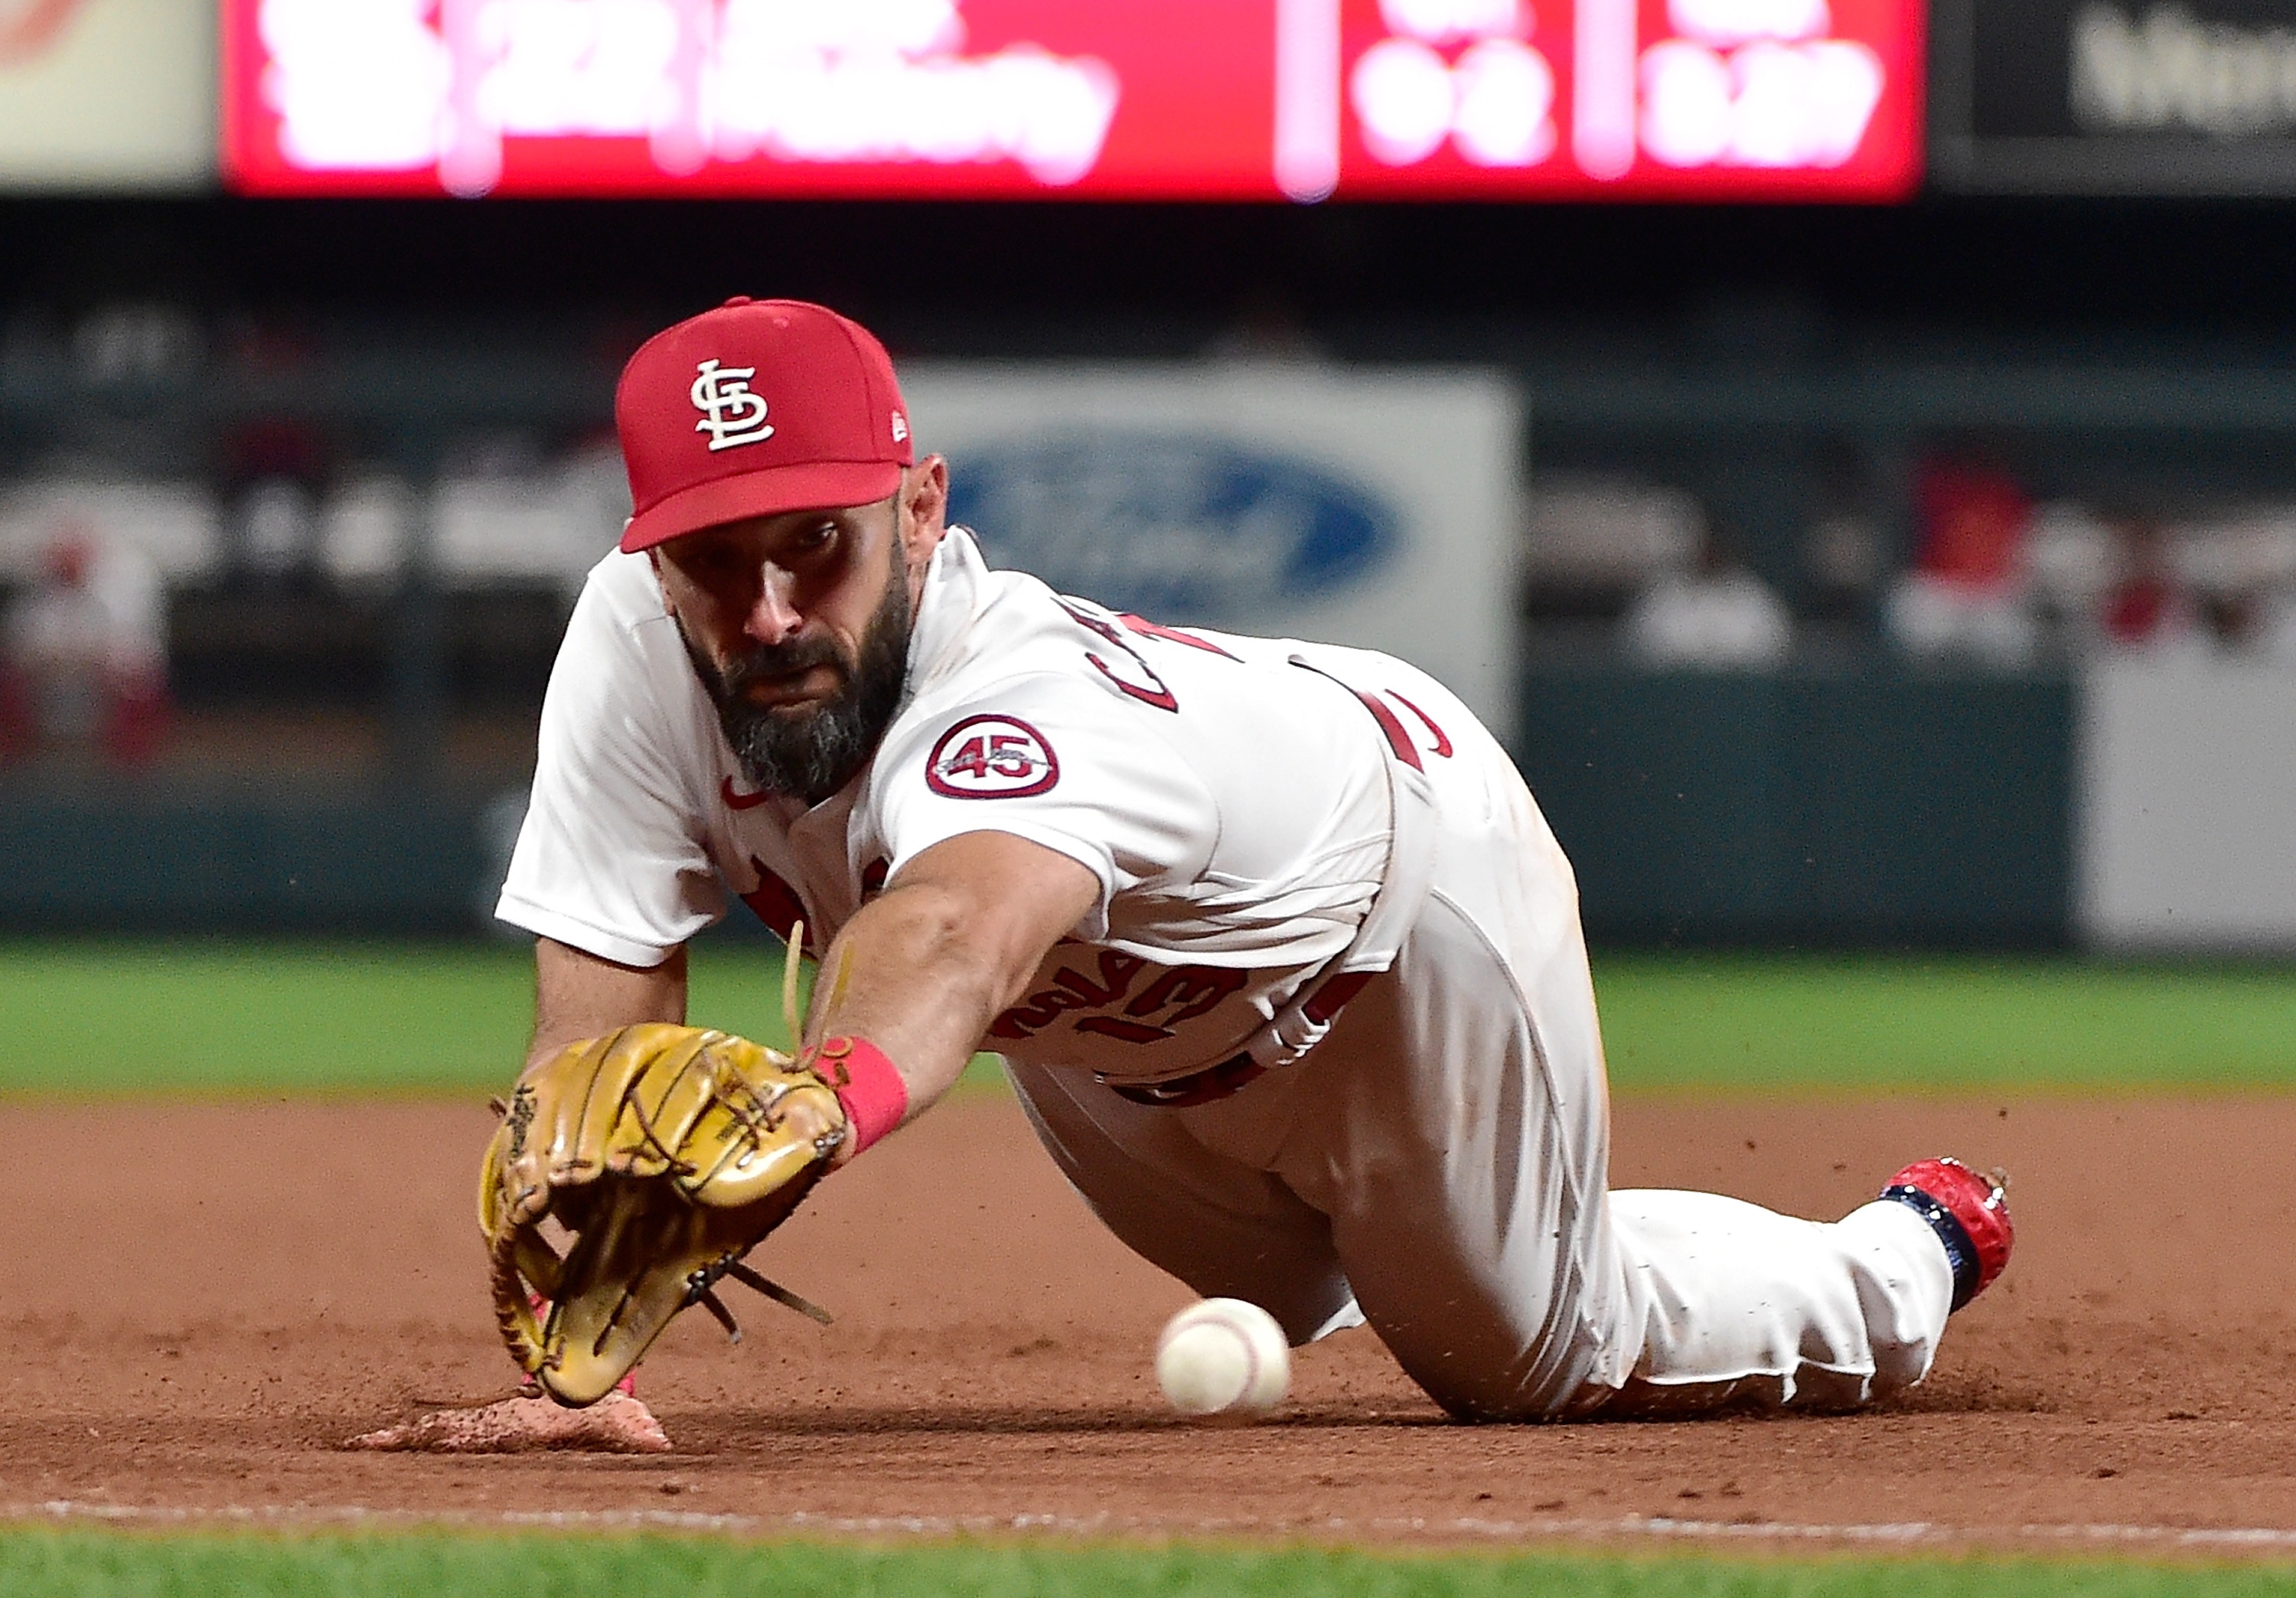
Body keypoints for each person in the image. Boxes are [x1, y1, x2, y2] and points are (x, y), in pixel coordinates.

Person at [361, 298, 2011, 1452]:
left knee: (1524, 1360)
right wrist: (582, 1376)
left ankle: (1907, 1254)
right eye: (717, 560)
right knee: (1277, 1295)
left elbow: (952, 929)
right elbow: (589, 1038)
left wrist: (827, 1100)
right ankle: (1405, 1244)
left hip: (1397, 925)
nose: (772, 604)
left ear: (922, 512)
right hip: (1122, 1039)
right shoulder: (630, 642)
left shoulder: (1014, 710)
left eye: (819, 542)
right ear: (649, 560)